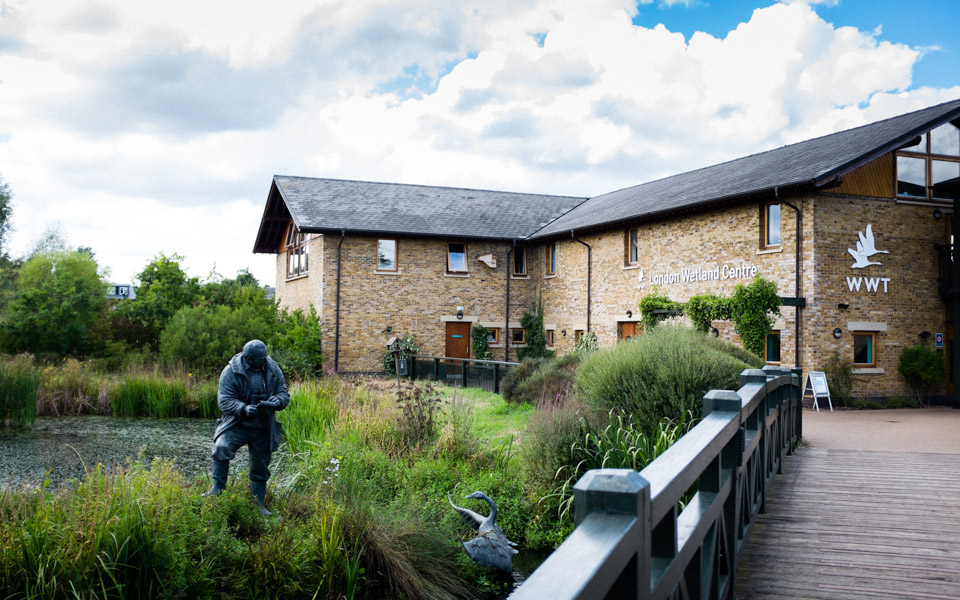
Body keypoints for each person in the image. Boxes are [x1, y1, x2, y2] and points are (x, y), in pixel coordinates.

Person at [202, 339, 289, 515]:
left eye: (265, 356)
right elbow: (224, 401)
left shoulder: (272, 368)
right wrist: (243, 408)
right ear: (248, 358)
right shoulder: (230, 372)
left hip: (263, 426)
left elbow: (283, 392)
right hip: (237, 424)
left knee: (260, 465)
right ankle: (217, 490)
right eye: (261, 358)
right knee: (221, 448)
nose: (265, 360)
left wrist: (277, 400)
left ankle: (258, 504)